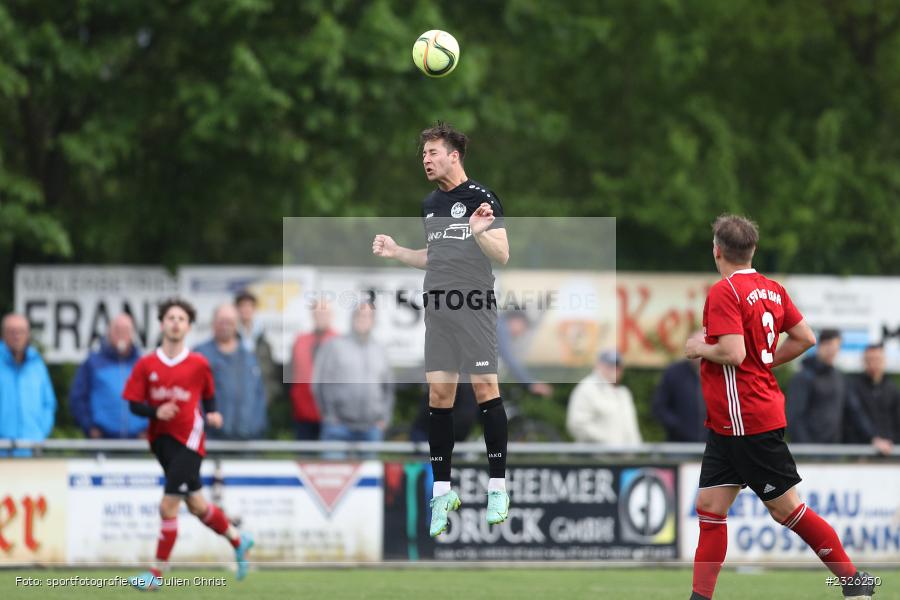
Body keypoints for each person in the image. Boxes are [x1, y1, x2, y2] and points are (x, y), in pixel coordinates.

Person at [684, 214, 875, 600]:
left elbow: (734, 354)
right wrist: (765, 360)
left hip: (746, 420)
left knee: (787, 510)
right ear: (752, 250)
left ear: (716, 250)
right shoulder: (771, 289)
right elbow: (805, 337)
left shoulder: (725, 291)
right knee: (709, 507)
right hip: (730, 423)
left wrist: (699, 348)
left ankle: (855, 583)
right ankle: (699, 598)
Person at [373, 122, 511, 536]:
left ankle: (498, 486)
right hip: (438, 308)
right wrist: (397, 251)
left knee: (486, 389)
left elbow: (501, 254)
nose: (426, 160)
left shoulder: (482, 198)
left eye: (433, 153)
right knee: (439, 396)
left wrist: (479, 233)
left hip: (474, 306)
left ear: (455, 155)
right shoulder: (430, 204)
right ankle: (442, 491)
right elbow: (434, 256)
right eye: (423, 155)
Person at [123, 298, 253, 591]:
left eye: (181, 319)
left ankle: (155, 576)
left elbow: (208, 394)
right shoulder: (147, 364)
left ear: (189, 327)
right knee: (197, 505)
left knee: (168, 506)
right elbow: (133, 404)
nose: (176, 323)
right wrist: (156, 412)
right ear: (162, 324)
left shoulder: (197, 363)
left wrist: (214, 412)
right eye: (171, 317)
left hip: (189, 441)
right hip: (161, 443)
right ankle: (237, 539)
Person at [787, 329, 891, 454]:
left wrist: (873, 438)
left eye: (836, 347)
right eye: (829, 346)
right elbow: (794, 417)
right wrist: (806, 449)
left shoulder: (840, 378)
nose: (832, 351)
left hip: (833, 451)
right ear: (820, 346)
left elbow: (855, 412)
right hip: (807, 452)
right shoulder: (803, 377)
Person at [312, 301, 394, 452]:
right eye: (360, 315)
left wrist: (384, 419)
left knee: (370, 475)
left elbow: (388, 389)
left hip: (371, 429)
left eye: (368, 316)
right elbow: (319, 384)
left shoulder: (380, 350)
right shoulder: (334, 346)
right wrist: (329, 416)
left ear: (374, 321)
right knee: (334, 474)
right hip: (337, 428)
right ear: (352, 318)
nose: (363, 319)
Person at [195, 304, 268, 440]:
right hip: (211, 438)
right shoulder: (200, 354)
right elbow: (193, 396)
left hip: (248, 440)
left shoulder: (249, 356)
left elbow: (259, 394)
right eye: (221, 321)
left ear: (237, 324)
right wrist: (205, 422)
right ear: (213, 323)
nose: (225, 325)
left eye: (230, 322)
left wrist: (257, 426)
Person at [70, 313, 146, 439]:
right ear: (109, 332)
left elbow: (155, 398)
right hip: (103, 440)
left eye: (126, 330)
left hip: (138, 441)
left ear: (132, 334)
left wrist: (149, 428)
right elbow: (78, 398)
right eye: (117, 330)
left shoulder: (143, 364)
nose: (121, 334)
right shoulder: (92, 362)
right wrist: (89, 426)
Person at [0, 314, 56, 457]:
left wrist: (40, 432)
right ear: (3, 334)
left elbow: (48, 403)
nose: (16, 336)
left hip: (31, 448)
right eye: (12, 331)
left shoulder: (37, 364)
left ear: (28, 334)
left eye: (21, 331)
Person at [565, 350, 641, 445]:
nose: (614, 370)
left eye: (617, 366)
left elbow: (631, 429)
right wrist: (608, 443)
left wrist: (635, 450)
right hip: (594, 457)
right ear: (598, 366)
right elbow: (577, 425)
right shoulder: (586, 389)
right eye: (610, 366)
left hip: (624, 457)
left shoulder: (623, 393)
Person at [290, 299, 337, 440]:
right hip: (303, 413)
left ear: (331, 316)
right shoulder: (300, 341)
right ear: (312, 315)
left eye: (324, 313)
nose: (321, 316)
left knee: (330, 460)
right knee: (305, 459)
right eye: (317, 313)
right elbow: (293, 373)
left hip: (331, 415)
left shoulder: (339, 342)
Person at [234, 289, 281, 407]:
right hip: (236, 398)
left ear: (254, 309)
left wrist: (268, 394)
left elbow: (271, 372)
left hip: (259, 399)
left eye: (249, 306)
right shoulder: (230, 338)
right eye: (242, 306)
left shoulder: (264, 341)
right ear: (237, 309)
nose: (246, 309)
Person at [848, 343, 900, 445]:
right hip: (862, 451)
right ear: (864, 361)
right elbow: (857, 416)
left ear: (884, 361)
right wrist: (873, 438)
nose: (873, 364)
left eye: (877, 359)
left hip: (890, 450)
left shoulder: (892, 388)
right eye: (870, 360)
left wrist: (891, 442)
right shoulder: (855, 387)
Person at [498, 309, 553, 398]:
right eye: (523, 327)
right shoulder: (501, 326)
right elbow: (508, 357)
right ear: (516, 320)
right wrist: (530, 383)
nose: (521, 333)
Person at [652, 353, 706, 443]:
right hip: (678, 444)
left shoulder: (718, 373)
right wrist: (677, 427)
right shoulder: (673, 373)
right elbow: (659, 407)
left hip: (710, 445)